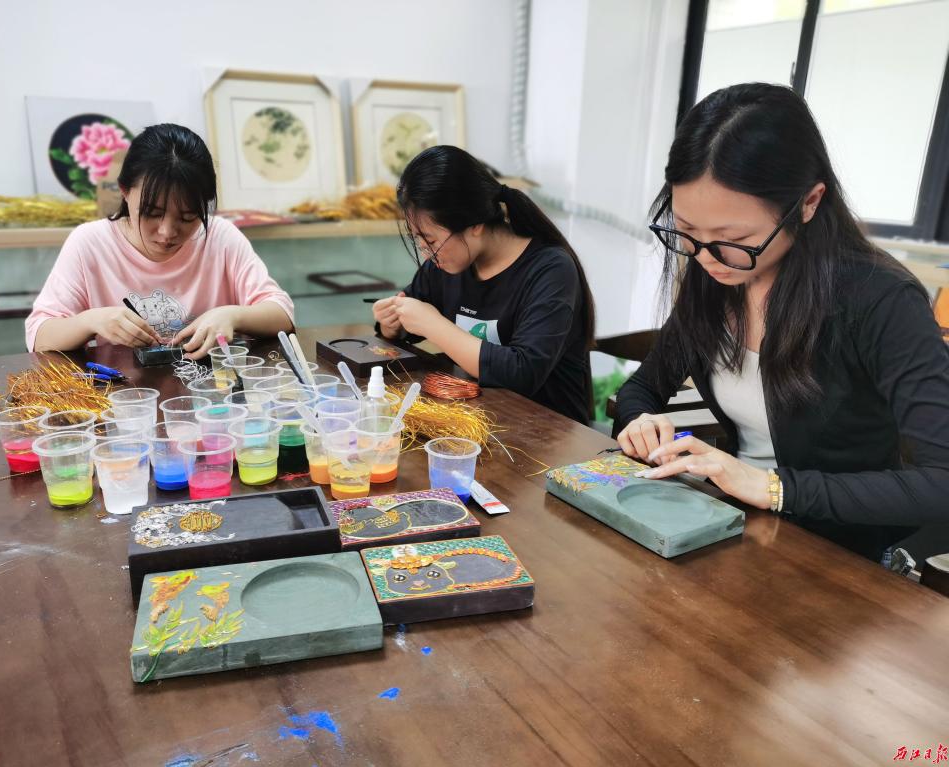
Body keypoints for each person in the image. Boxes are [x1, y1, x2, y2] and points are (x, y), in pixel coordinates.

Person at [615, 82, 949, 561]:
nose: (706, 256)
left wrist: (771, 487)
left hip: (836, 553)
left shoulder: (880, 300)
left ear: (809, 203)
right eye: (686, 231)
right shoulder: (717, 274)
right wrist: (640, 423)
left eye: (734, 238)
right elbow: (643, 388)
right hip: (734, 528)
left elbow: (941, 482)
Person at [26, 123, 294, 358]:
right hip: (127, 393)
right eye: (152, 213)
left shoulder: (220, 237)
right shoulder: (90, 243)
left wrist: (232, 315)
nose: (167, 232)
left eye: (188, 217)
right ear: (124, 191)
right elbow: (39, 337)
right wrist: (91, 321)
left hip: (211, 391)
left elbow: (282, 313)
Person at [373, 145, 595, 423]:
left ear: (475, 224)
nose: (425, 253)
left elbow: (522, 373)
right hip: (480, 418)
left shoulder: (551, 270)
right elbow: (411, 312)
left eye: (430, 240)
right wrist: (391, 325)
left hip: (550, 430)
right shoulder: (447, 263)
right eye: (417, 240)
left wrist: (433, 325)